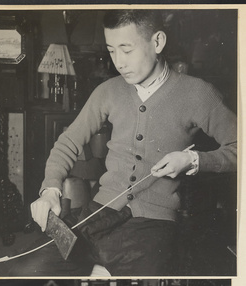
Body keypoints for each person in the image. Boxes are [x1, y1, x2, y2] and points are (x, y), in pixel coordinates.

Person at [23, 10, 237, 276]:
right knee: (27, 272)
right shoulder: (108, 91)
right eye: (112, 51)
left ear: (157, 42)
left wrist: (194, 161)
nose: (119, 63)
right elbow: (68, 142)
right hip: (98, 214)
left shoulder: (198, 93)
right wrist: (50, 190)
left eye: (126, 50)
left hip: (152, 225)